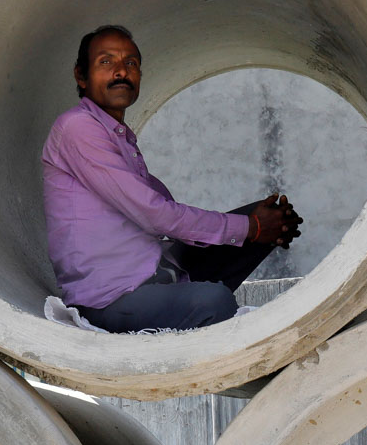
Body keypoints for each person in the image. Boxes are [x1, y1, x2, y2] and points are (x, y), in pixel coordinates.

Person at [42, 24, 303, 332]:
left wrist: (259, 225)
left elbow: (168, 216)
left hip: (157, 269)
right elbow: (155, 214)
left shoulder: (120, 137)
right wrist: (250, 228)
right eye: (106, 62)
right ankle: (200, 307)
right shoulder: (77, 128)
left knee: (272, 217)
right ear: (81, 76)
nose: (121, 72)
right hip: (110, 299)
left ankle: (189, 299)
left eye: (131, 63)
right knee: (215, 301)